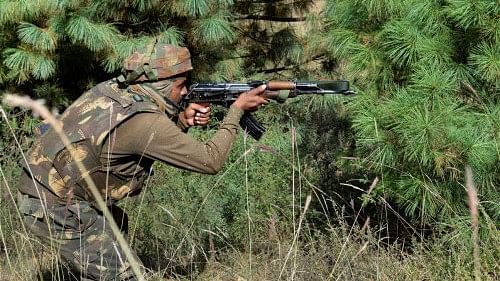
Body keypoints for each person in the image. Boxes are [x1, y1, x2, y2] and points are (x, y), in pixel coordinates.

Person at [16, 41, 268, 280]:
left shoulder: (114, 91)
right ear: (167, 85)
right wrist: (236, 112)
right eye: (182, 86)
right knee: (126, 276)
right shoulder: (143, 121)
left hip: (45, 191)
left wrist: (180, 122)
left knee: (116, 228)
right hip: (55, 206)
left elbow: (131, 143)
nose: (184, 93)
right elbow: (209, 161)